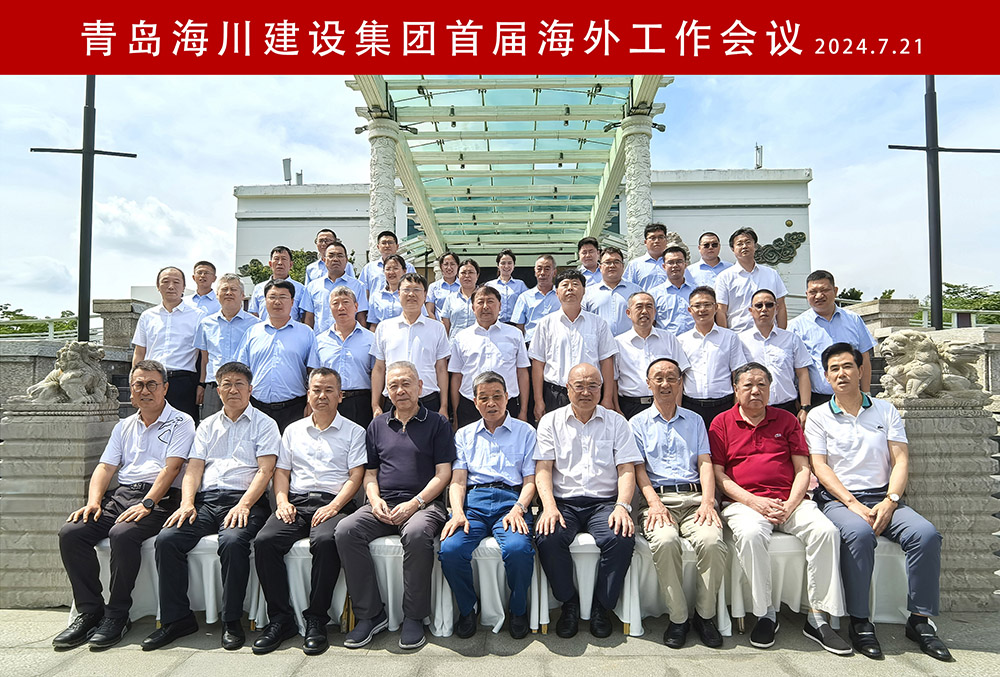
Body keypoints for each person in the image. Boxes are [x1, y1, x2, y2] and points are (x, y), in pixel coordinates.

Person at [806, 343, 950, 662]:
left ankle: (920, 620)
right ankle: (860, 622)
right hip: (839, 501)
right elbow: (820, 466)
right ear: (826, 377)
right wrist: (852, 504)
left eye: (847, 366)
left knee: (925, 535)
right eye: (834, 369)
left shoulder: (885, 411)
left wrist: (891, 500)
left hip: (883, 496)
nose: (841, 374)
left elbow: (900, 460)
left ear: (861, 371)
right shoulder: (818, 416)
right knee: (858, 534)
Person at [53, 360, 193, 651]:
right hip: (122, 496)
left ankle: (117, 614)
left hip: (161, 499)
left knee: (123, 534)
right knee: (72, 533)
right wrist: (93, 502)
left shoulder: (182, 422)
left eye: (152, 384)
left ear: (165, 388)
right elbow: (105, 467)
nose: (145, 390)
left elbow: (172, 468)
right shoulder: (124, 426)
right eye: (139, 384)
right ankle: (90, 611)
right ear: (131, 389)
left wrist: (148, 503)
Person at [710, 363, 849, 654]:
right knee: (750, 535)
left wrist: (790, 504)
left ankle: (818, 616)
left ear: (770, 389)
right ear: (735, 390)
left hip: (789, 501)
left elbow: (803, 469)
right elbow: (719, 476)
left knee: (826, 531)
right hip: (743, 503)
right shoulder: (721, 423)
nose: (755, 391)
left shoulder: (786, 420)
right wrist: (754, 501)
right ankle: (766, 614)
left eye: (762, 384)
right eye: (748, 385)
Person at [142, 361, 278, 651]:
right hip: (206, 502)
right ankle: (177, 619)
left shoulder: (265, 424)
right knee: (168, 539)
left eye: (239, 384)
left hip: (245, 501)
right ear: (218, 389)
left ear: (250, 389)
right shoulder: (206, 426)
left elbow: (265, 471)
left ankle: (231, 620)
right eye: (226, 384)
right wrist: (187, 503)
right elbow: (193, 469)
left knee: (232, 541)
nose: (233, 390)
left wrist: (243, 505)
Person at [336, 361, 454, 651]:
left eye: (406, 384)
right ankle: (370, 614)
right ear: (386, 392)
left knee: (416, 534)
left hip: (424, 504)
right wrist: (374, 499)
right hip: (384, 503)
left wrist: (415, 503)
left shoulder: (437, 423)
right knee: (346, 530)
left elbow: (443, 474)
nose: (400, 391)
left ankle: (414, 616)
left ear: (420, 387)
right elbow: (370, 474)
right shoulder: (377, 425)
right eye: (393, 386)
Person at [252, 367, 367, 656]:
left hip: (334, 503)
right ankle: (281, 620)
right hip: (296, 503)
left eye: (329, 390)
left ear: (340, 395)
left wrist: (334, 506)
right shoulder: (293, 430)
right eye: (316, 390)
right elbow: (282, 472)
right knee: (265, 542)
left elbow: (355, 476)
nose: (322, 396)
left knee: (326, 541)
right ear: (308, 394)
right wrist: (282, 501)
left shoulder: (355, 432)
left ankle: (316, 618)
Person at [534, 363, 642, 638]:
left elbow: (626, 469)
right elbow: (543, 469)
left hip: (604, 503)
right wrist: (549, 507)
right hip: (563, 502)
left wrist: (622, 506)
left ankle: (601, 607)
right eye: (579, 386)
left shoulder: (616, 422)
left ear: (602, 388)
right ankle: (569, 603)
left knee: (621, 537)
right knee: (548, 536)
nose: (586, 392)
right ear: (567, 389)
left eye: (593, 386)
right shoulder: (550, 421)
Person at [631, 358, 727, 649]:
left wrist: (708, 501)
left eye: (672, 378)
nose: (665, 384)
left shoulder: (695, 420)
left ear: (681, 383)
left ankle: (705, 616)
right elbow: (638, 470)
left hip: (695, 499)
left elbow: (705, 462)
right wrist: (654, 503)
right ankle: (678, 618)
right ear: (648, 384)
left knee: (712, 541)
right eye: (658, 378)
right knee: (665, 541)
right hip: (658, 501)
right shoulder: (637, 423)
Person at [438, 372, 537, 639]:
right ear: (475, 402)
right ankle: (468, 609)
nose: (491, 403)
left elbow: (531, 480)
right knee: (450, 550)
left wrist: (519, 508)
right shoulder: (464, 435)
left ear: (507, 397)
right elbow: (458, 481)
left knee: (518, 550)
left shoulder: (526, 432)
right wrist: (457, 512)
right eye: (484, 398)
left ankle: (518, 609)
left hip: (511, 502)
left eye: (497, 396)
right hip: (474, 503)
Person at [529, 270, 618, 422]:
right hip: (556, 394)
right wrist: (538, 400)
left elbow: (606, 361)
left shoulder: (598, 323)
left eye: (575, 284)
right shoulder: (545, 324)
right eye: (565, 285)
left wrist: (607, 398)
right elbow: (538, 364)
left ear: (584, 291)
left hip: (590, 394)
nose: (570, 288)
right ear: (557, 292)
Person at [234, 279, 321, 433]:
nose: (277, 302)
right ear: (265, 301)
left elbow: (313, 371)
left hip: (294, 408)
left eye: (283, 297)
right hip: (256, 407)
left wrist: (310, 402)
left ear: (292, 302)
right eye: (272, 297)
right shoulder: (252, 332)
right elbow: (241, 370)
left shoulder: (306, 333)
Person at [789, 270, 877, 407]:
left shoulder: (853, 320)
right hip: (815, 399)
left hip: (852, 396)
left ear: (835, 291)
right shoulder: (795, 326)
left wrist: (866, 393)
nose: (819, 296)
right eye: (813, 292)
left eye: (824, 290)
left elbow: (864, 358)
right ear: (807, 294)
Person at [370, 272, 450, 418]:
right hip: (393, 400)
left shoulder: (437, 328)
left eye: (417, 290)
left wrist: (444, 405)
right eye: (406, 290)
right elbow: (379, 368)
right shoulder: (384, 327)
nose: (411, 294)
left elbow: (441, 369)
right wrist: (375, 404)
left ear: (425, 295)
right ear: (398, 294)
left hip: (428, 400)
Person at [449, 285, 530, 428]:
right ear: (473, 308)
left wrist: (523, 410)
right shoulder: (461, 337)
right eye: (480, 302)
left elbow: (522, 373)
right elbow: (456, 377)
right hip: (470, 404)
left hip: (507, 403)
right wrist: (455, 413)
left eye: (490, 301)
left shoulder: (515, 334)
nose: (485, 306)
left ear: (500, 306)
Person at [132, 266, 205, 423]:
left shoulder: (198, 316)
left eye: (176, 282)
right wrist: (134, 384)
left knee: (183, 426)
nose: (171, 286)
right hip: (151, 381)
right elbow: (139, 352)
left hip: (183, 382)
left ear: (184, 287)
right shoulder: (147, 316)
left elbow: (204, 355)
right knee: (149, 425)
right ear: (158, 286)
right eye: (165, 282)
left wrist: (202, 384)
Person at [677, 286, 749, 428]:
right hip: (691, 405)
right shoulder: (681, 341)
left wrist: (737, 408)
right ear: (690, 310)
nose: (702, 309)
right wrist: (678, 409)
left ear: (716, 307)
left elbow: (737, 375)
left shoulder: (730, 337)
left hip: (724, 405)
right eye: (697, 305)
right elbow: (679, 379)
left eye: (707, 304)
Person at [738, 288, 812, 423]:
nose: (764, 309)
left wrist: (805, 407)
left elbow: (803, 374)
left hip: (787, 408)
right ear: (751, 310)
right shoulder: (740, 340)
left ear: (776, 308)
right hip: (752, 410)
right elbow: (736, 377)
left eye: (769, 305)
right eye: (759, 305)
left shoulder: (791, 339)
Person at [614, 292, 690, 419]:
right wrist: (616, 408)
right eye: (639, 307)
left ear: (654, 312)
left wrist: (677, 407)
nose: (644, 311)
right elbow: (614, 380)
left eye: (649, 307)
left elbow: (679, 376)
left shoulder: (669, 339)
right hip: (630, 406)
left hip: (665, 404)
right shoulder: (618, 343)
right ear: (628, 313)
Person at [194, 273, 260, 419]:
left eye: (233, 289)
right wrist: (201, 384)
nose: (229, 293)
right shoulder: (206, 324)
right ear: (217, 295)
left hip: (244, 385)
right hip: (215, 385)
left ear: (242, 295)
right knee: (212, 426)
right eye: (224, 289)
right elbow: (204, 359)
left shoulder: (256, 325)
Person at [315, 287, 376, 428]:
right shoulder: (319, 341)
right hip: (328, 401)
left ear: (356, 307)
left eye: (346, 302)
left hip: (361, 402)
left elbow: (376, 374)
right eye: (335, 303)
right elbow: (314, 375)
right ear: (330, 308)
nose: (341, 307)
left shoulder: (371, 339)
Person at [714, 227, 788, 332]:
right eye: (739, 244)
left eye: (748, 242)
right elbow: (721, 310)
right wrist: (725, 336)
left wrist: (781, 333)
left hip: (770, 334)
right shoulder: (724, 277)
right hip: (738, 334)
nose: (744, 246)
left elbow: (781, 307)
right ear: (733, 249)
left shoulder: (771, 274)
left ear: (755, 246)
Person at [301, 239, 369, 333]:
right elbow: (309, 318)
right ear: (324, 260)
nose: (335, 259)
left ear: (346, 260)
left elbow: (361, 317)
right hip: (320, 339)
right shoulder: (312, 287)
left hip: (350, 338)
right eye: (331, 256)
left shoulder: (358, 286)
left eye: (340, 256)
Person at [582, 245, 641, 337]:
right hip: (599, 343)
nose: (612, 266)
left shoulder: (636, 291)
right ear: (600, 267)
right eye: (607, 262)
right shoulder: (588, 293)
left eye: (616, 262)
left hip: (630, 344)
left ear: (623, 266)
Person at [247, 246, 307, 323]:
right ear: (270, 264)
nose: (280, 263)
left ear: (291, 264)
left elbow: (304, 317)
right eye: (276, 259)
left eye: (284, 259)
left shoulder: (301, 289)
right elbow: (254, 314)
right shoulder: (259, 288)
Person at [510, 254, 560, 346]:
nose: (542, 273)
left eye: (547, 269)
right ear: (535, 272)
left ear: (554, 272)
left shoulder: (561, 296)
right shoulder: (524, 297)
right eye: (539, 269)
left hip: (557, 344)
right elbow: (519, 328)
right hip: (531, 345)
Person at [649, 245, 696, 335]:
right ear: (664, 266)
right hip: (665, 341)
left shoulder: (696, 292)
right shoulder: (654, 294)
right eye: (670, 262)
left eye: (679, 262)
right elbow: (651, 322)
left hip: (694, 340)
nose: (675, 265)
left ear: (685, 265)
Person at [358, 230, 416, 296]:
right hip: (376, 302)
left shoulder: (408, 266)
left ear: (397, 246)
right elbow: (363, 291)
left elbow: (414, 287)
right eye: (384, 243)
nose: (387, 245)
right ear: (378, 247)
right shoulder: (369, 268)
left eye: (390, 242)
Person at [366, 254, 412, 330]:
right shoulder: (376, 296)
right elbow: (373, 324)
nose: (391, 272)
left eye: (395, 268)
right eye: (388, 269)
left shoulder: (412, 294)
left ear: (404, 271)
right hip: (383, 335)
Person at [623, 223, 671, 290]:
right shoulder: (635, 265)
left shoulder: (674, 263)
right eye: (652, 238)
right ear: (645, 242)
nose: (657, 241)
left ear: (666, 241)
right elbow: (627, 288)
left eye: (661, 237)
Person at [487, 249, 528, 324]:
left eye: (509, 263)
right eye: (503, 263)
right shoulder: (490, 285)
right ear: (498, 265)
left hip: (514, 324)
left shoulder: (520, 285)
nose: (506, 266)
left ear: (514, 265)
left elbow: (527, 305)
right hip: (495, 324)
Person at [441, 258, 480, 339]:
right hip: (456, 343)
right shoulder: (450, 298)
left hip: (478, 341)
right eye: (463, 273)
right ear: (458, 275)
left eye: (471, 272)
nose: (467, 276)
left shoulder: (484, 298)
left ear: (477, 275)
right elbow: (445, 326)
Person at [426, 251, 461, 319]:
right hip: (439, 324)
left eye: (452, 264)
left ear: (458, 266)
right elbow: (429, 310)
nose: (449, 267)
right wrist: (437, 324)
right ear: (441, 267)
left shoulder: (463, 286)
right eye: (445, 264)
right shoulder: (433, 287)